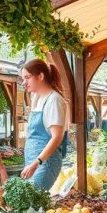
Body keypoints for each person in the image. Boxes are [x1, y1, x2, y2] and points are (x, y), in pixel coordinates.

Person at [20, 59, 69, 191]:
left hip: (45, 163)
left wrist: (37, 162)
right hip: (32, 161)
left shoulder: (54, 100)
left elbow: (57, 137)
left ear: (40, 76)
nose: (24, 83)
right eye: (23, 79)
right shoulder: (37, 98)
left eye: (27, 78)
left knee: (33, 203)